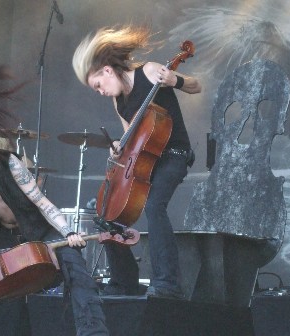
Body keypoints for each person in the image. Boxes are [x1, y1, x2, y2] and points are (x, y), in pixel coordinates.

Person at [0, 65, 109, 335]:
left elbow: (43, 203)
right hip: (0, 238)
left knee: (74, 261)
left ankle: (93, 332)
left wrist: (68, 231)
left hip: (38, 231)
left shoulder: (9, 163)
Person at [72, 25, 202, 299]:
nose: (99, 91)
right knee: (109, 214)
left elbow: (195, 85)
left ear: (107, 70)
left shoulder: (150, 71)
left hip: (175, 153)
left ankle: (168, 283)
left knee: (155, 206)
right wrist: (119, 147)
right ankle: (123, 281)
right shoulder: (119, 102)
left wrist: (174, 80)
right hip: (147, 160)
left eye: (97, 85)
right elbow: (132, 137)